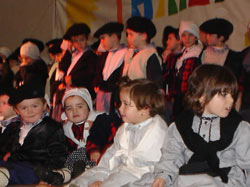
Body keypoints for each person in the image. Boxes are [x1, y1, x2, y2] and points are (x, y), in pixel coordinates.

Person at [152, 64, 250, 187]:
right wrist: (163, 176)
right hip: (188, 179)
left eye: (232, 95)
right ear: (201, 96)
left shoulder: (238, 127)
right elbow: (171, 157)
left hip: (226, 181)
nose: (231, 101)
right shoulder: (182, 125)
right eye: (224, 94)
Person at [70, 78, 168, 187]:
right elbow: (111, 154)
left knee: (114, 181)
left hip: (139, 176)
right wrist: (99, 176)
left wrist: (106, 180)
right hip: (119, 168)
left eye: (126, 104)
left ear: (145, 109)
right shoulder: (125, 127)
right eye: (121, 103)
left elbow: (143, 168)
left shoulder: (157, 132)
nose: (120, 108)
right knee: (86, 177)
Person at [0, 84, 70, 186]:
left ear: (44, 105)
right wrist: (8, 154)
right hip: (13, 165)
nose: (30, 111)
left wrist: (48, 175)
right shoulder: (14, 127)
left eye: (35, 106)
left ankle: (3, 176)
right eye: (24, 108)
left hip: (37, 169)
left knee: (13, 172)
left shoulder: (51, 127)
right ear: (17, 110)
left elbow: (58, 155)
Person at [199, 18, 243, 111]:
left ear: (221, 37)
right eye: (207, 34)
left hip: (225, 102)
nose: (207, 36)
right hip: (205, 100)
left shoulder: (235, 57)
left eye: (210, 34)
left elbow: (237, 84)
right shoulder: (202, 54)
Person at [163, 21, 202, 120]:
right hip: (177, 99)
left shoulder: (199, 54)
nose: (187, 38)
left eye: (191, 35)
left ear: (196, 37)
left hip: (192, 98)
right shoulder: (179, 56)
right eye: (184, 35)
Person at [62, 87, 102, 178]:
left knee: (82, 153)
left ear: (88, 107)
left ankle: (86, 171)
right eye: (69, 108)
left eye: (79, 107)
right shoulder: (67, 128)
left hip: (96, 154)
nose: (74, 111)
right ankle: (64, 173)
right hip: (79, 158)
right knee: (73, 156)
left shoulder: (98, 121)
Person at [93, 22, 128, 113]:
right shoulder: (104, 56)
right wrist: (97, 84)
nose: (101, 42)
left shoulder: (126, 54)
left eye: (103, 38)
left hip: (115, 96)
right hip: (102, 95)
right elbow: (98, 72)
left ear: (114, 37)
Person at [122, 16, 163, 87]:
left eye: (131, 34)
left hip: (141, 95)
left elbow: (155, 83)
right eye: (127, 34)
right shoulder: (130, 53)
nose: (128, 38)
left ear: (143, 36)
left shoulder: (150, 55)